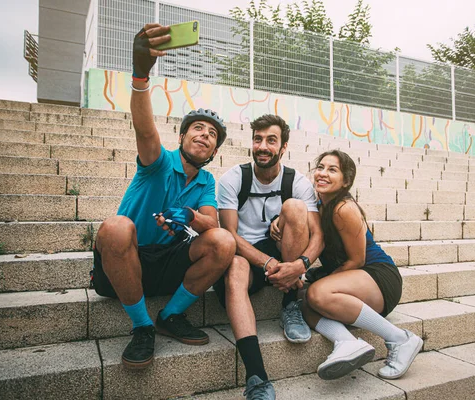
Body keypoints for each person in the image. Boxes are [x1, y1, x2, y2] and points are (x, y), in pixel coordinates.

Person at [90, 23, 236, 370]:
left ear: (214, 150)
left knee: (223, 242)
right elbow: (144, 128)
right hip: (127, 260)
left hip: (166, 261)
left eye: (212, 133)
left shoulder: (206, 181)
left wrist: (189, 216)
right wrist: (140, 76)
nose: (204, 134)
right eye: (198, 128)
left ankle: (170, 315)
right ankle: (142, 327)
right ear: (183, 136)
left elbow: (211, 223)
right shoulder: (157, 161)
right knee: (114, 228)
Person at [215, 114, 324, 399]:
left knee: (296, 207)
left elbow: (319, 236)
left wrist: (300, 265)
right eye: (258, 139)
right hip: (247, 258)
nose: (262, 146)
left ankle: (290, 304)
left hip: (282, 255)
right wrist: (266, 262)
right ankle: (257, 377)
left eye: (271, 140)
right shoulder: (233, 179)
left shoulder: (295, 181)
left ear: (283, 147)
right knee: (236, 267)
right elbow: (229, 235)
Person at [297, 149, 422, 380]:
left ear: (346, 181)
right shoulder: (318, 206)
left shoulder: (344, 208)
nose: (323, 173)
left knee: (317, 293)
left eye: (332, 170)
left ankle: (400, 339)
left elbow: (357, 260)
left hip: (377, 276)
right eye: (320, 167)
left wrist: (323, 280)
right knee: (305, 303)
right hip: (355, 277)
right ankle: (346, 343)